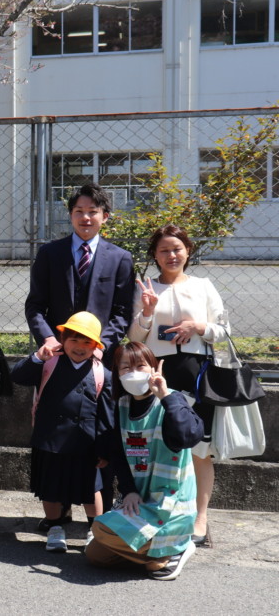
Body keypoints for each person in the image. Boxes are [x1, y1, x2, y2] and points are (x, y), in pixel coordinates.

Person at [128, 224, 229, 548]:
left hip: (197, 375)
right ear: (155, 255)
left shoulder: (203, 286)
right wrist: (147, 313)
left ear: (188, 251)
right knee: (156, 445)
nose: (171, 255)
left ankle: (200, 518)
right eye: (164, 250)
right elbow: (134, 338)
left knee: (199, 448)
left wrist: (198, 326)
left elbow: (224, 330)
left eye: (177, 249)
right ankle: (157, 512)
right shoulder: (146, 287)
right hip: (157, 376)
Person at [86, 342, 203, 581]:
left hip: (170, 504)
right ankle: (155, 556)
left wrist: (165, 395)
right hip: (140, 501)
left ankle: (178, 547)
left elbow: (188, 437)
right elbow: (119, 454)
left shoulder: (171, 400)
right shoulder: (121, 406)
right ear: (117, 374)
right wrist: (128, 490)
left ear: (153, 368)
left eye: (140, 366)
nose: (133, 373)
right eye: (125, 368)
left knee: (100, 528)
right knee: (96, 555)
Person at [10, 311, 114, 553]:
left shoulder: (102, 373)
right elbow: (18, 376)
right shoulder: (49, 363)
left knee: (91, 488)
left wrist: (105, 448)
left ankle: (96, 529)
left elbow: (107, 414)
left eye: (87, 342)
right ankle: (55, 527)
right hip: (50, 439)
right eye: (74, 340)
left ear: (96, 346)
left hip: (86, 442)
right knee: (51, 487)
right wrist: (37, 357)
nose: (79, 347)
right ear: (62, 340)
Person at [25, 182, 133, 365]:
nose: (85, 217)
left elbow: (123, 312)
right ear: (70, 215)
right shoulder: (49, 254)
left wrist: (102, 345)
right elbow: (35, 305)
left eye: (92, 212)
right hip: (56, 351)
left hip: (99, 355)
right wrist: (48, 338)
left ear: (105, 217)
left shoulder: (120, 258)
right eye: (79, 211)